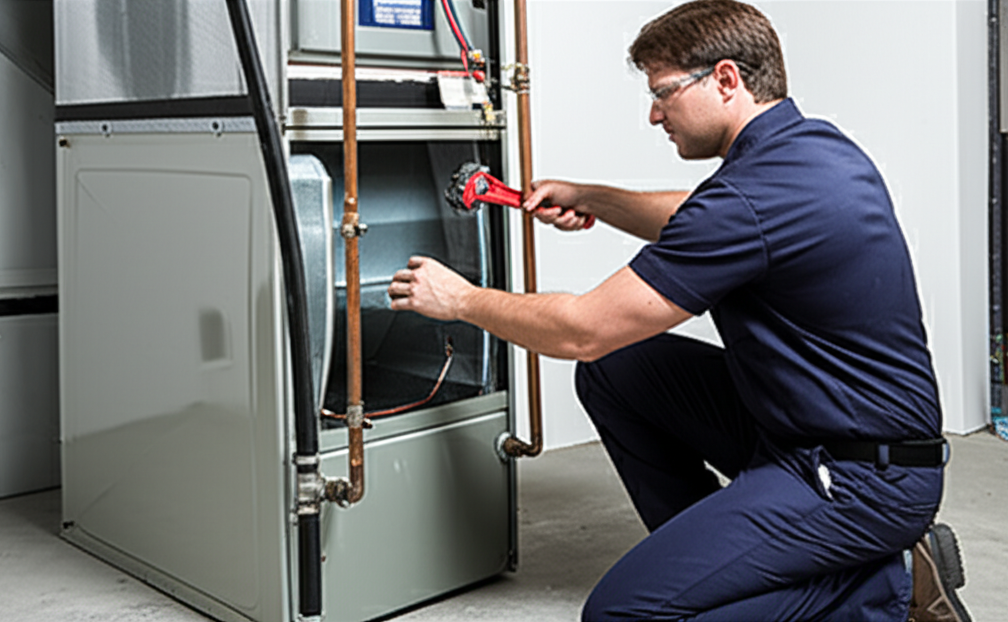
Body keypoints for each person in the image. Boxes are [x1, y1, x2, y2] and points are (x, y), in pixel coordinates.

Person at [388, 0, 972, 619]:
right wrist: (595, 198)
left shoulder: (751, 197)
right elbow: (697, 216)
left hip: (861, 480)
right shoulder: (808, 149)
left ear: (726, 79)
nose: (653, 113)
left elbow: (584, 329)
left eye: (664, 92)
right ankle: (722, 560)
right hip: (813, 430)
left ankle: (888, 585)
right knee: (619, 371)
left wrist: (462, 300)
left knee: (622, 614)